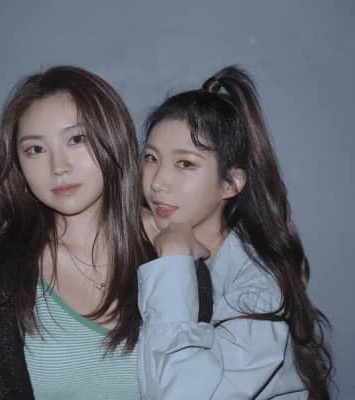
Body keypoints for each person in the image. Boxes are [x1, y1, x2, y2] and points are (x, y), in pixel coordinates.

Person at [0, 66, 154, 399]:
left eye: (77, 139)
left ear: (114, 138)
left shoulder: (170, 258)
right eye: (35, 149)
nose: (59, 167)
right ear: (18, 164)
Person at [137, 66, 332, 399]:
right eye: (151, 158)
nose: (157, 182)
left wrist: (172, 261)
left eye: (185, 163)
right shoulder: (142, 240)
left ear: (231, 182)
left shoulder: (256, 288)